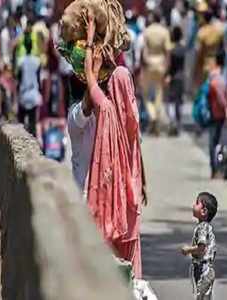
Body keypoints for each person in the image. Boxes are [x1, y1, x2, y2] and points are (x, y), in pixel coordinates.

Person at [84, 14, 146, 279]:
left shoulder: (106, 110)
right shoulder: (132, 128)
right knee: (132, 256)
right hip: (130, 198)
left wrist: (89, 39)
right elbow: (139, 154)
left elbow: (88, 76)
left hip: (110, 203)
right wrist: (143, 183)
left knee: (109, 260)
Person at [181, 192, 218, 300]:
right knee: (205, 296)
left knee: (201, 297)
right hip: (206, 269)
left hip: (203, 269)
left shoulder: (202, 227)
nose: (193, 205)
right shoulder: (205, 226)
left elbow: (202, 248)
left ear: (204, 211)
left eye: (197, 203)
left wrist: (188, 250)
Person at [141, 10, 171, 135]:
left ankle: (152, 115)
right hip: (161, 64)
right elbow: (168, 51)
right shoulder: (165, 32)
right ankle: (156, 118)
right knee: (159, 93)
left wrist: (142, 65)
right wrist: (167, 66)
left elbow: (143, 49)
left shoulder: (147, 31)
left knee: (146, 94)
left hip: (149, 64)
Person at [208, 50, 227, 179]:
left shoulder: (213, 77)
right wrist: (226, 108)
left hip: (213, 112)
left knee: (213, 142)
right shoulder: (221, 78)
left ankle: (215, 169)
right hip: (220, 113)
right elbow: (222, 98)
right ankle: (217, 169)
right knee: (219, 142)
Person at [17, 36, 42, 136]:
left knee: (21, 124)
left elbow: (18, 79)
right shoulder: (37, 61)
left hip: (23, 94)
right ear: (32, 46)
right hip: (33, 94)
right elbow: (38, 79)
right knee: (32, 123)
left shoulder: (21, 61)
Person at [166, 26, 185, 136]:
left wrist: (168, 75)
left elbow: (170, 66)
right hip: (181, 77)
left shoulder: (172, 50)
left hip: (173, 77)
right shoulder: (183, 49)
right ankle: (178, 123)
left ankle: (173, 123)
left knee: (171, 101)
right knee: (179, 101)